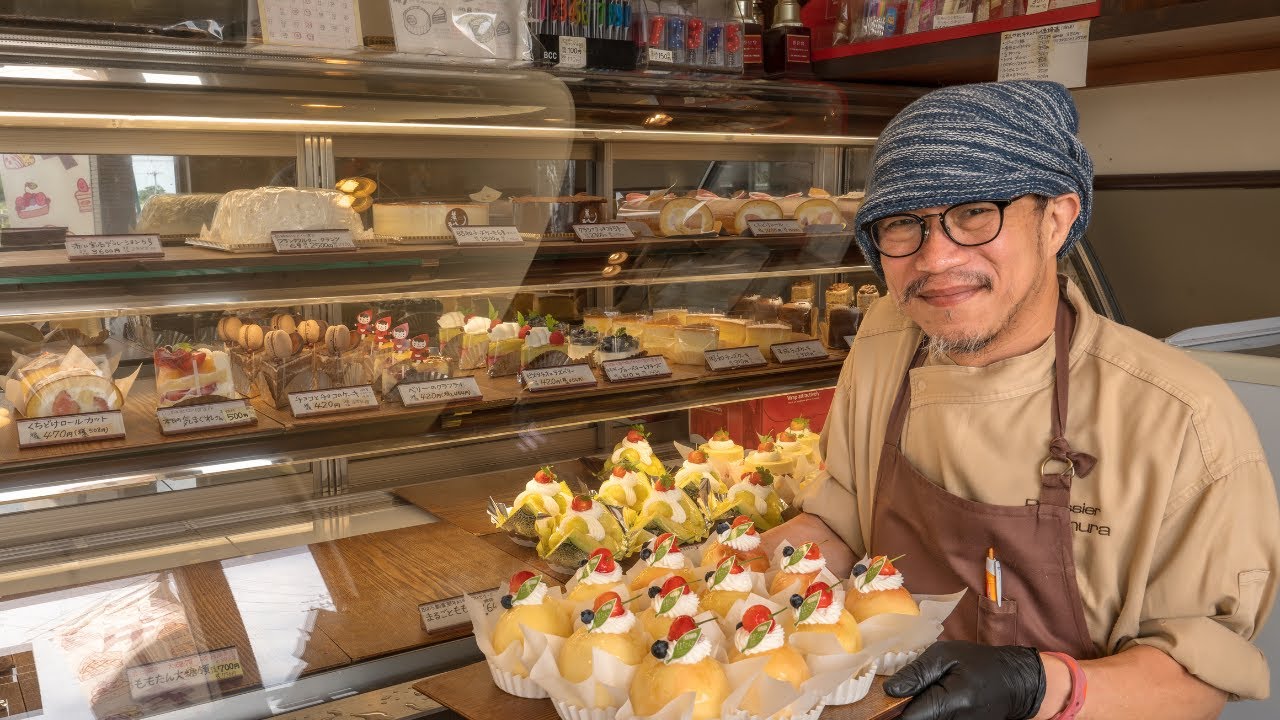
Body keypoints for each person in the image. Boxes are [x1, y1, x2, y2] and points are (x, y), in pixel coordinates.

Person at [762, 80, 1279, 719]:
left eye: (975, 212)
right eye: (902, 224)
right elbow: (840, 523)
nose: (938, 257)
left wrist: (1040, 684)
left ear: (1057, 220)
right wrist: (747, 577)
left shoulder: (1179, 415)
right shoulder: (886, 341)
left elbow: (1198, 682)